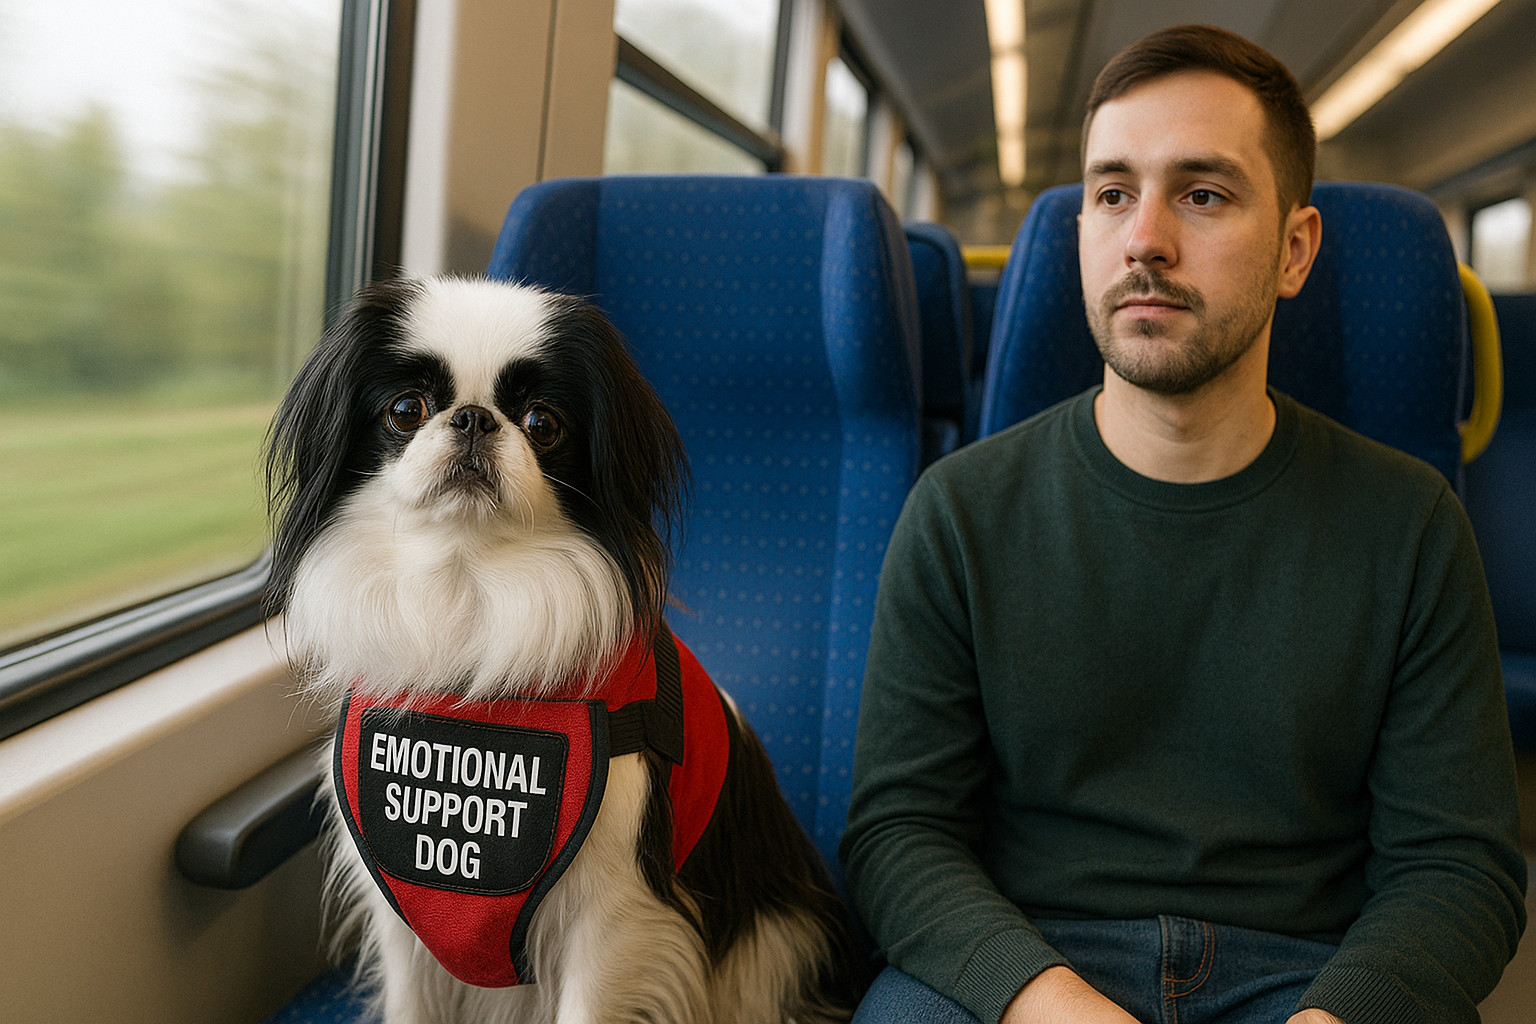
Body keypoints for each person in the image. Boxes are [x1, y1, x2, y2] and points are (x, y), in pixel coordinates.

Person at [839, 23, 1526, 1024]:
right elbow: (899, 835)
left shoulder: (1411, 524)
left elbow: (1458, 865)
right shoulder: (959, 512)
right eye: (1113, 193)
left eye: (1202, 194)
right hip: (1031, 962)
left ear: (1293, 250)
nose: (1145, 238)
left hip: (1309, 974)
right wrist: (1048, 1002)